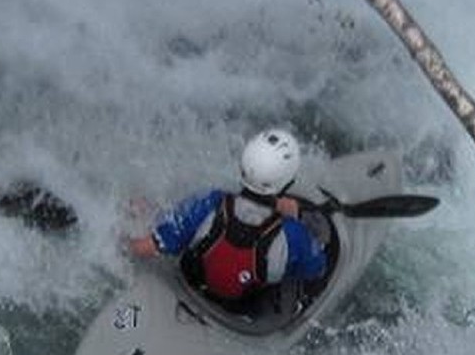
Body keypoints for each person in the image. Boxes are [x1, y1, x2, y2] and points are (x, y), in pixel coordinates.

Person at [126, 128, 331, 312]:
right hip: (238, 307)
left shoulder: (209, 202)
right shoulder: (294, 235)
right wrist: (295, 223)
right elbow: (316, 269)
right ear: (288, 184)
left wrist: (120, 240)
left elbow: (146, 247)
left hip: (191, 283)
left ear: (243, 167)